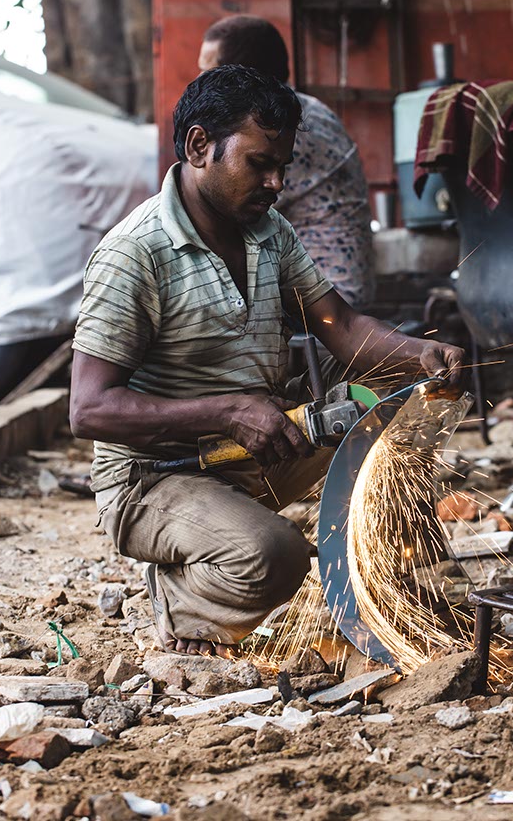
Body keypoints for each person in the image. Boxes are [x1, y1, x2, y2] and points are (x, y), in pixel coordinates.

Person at [69, 66, 464, 656]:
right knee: (274, 555)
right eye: (259, 164)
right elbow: (89, 409)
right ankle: (184, 600)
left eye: (283, 166)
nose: (277, 183)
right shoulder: (134, 255)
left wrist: (420, 355)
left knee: (392, 396)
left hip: (259, 447)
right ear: (201, 146)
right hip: (157, 477)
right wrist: (229, 413)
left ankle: (388, 583)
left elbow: (343, 326)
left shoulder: (267, 230)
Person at [198, 15, 375, 310]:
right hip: (326, 291)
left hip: (329, 302)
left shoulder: (281, 130)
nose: (200, 84)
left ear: (243, 77)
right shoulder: (303, 109)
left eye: (210, 73)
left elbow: (215, 215)